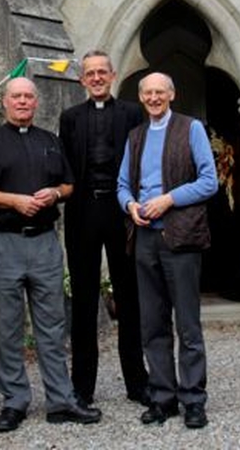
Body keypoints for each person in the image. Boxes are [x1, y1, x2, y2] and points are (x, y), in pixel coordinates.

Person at [0, 76, 101, 433]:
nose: (24, 102)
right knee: (5, 326)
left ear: (36, 103)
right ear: (5, 103)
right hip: (3, 242)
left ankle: (60, 399)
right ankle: (14, 400)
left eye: (29, 97)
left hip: (44, 242)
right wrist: (13, 200)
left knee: (53, 323)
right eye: (17, 97)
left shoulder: (51, 142)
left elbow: (69, 184)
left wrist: (54, 195)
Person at [117, 72, 218, 430]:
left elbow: (209, 181)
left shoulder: (191, 129)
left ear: (172, 95)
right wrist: (130, 205)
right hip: (144, 239)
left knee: (187, 324)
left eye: (160, 92)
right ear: (141, 97)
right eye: (147, 93)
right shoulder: (136, 136)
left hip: (181, 237)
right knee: (152, 324)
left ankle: (193, 399)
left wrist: (168, 200)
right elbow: (122, 185)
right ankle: (163, 397)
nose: (154, 98)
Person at [59, 50, 148, 407]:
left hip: (121, 209)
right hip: (83, 211)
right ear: (82, 80)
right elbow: (64, 165)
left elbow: (140, 159)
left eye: (102, 72)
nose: (96, 78)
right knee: (83, 300)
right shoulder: (69, 118)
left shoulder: (131, 113)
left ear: (112, 76)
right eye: (89, 73)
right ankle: (82, 386)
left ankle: (137, 383)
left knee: (129, 297)